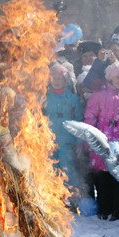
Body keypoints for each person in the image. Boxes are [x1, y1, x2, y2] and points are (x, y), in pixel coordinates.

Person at [83, 61, 119, 220]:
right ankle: (104, 208)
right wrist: (90, 141)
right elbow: (90, 119)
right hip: (102, 136)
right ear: (110, 77)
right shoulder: (98, 96)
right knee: (102, 175)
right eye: (117, 77)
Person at [45, 63, 83, 198]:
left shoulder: (72, 99)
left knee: (67, 168)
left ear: (65, 81)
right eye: (53, 78)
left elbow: (79, 121)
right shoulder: (45, 97)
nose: (56, 81)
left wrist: (79, 142)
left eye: (59, 78)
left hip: (67, 139)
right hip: (49, 138)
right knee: (50, 168)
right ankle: (53, 197)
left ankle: (71, 197)